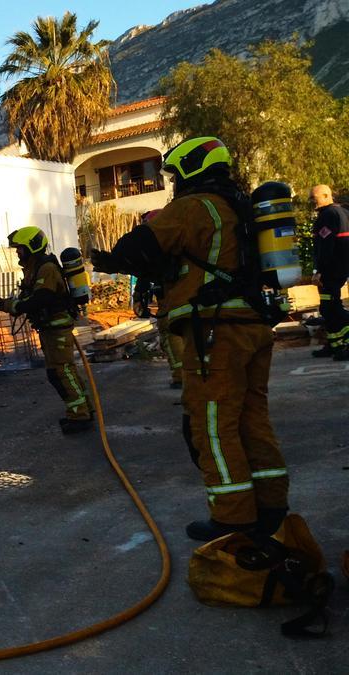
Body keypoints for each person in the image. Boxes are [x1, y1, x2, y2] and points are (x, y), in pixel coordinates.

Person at [91, 137, 288, 542]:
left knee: (212, 425)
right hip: (252, 326)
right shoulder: (239, 208)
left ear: (192, 170)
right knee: (253, 419)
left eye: (176, 173)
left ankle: (233, 517)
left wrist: (116, 257)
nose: (174, 181)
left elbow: (136, 248)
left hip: (216, 330)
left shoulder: (195, 207)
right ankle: (271, 506)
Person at [0, 226, 93, 434]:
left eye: (20, 248)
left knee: (61, 371)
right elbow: (31, 296)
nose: (17, 252)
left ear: (32, 247)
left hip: (56, 328)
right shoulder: (34, 267)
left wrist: (14, 307)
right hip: (49, 328)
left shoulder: (45, 268)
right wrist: (12, 303)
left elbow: (41, 299)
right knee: (63, 371)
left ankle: (80, 415)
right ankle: (83, 410)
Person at [130, 209, 185, 389]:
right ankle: (184, 374)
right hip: (178, 299)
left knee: (171, 336)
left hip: (170, 303)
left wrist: (139, 296)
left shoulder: (161, 249)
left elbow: (145, 274)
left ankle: (181, 376)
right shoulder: (177, 244)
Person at [309, 184, 349, 360]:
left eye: (314, 197)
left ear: (326, 196)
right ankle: (335, 344)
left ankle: (341, 343)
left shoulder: (327, 215)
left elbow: (326, 246)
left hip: (331, 271)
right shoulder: (342, 212)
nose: (312, 201)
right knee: (330, 307)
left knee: (330, 307)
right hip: (340, 268)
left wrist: (319, 271)